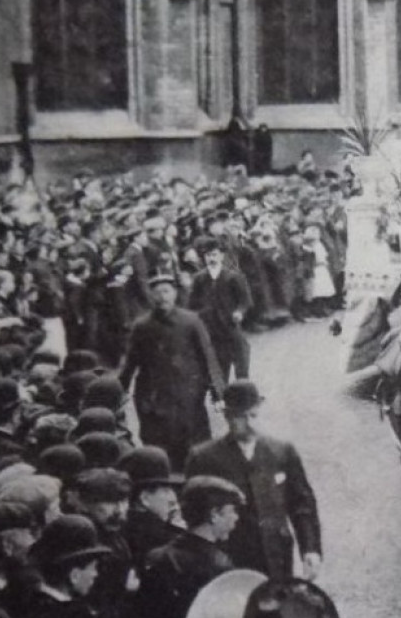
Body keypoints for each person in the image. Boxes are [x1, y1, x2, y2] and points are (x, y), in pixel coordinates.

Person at [185, 380, 322, 582]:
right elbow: (193, 515)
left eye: (253, 415)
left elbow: (302, 504)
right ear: (227, 416)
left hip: (277, 558)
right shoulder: (204, 459)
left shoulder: (281, 452)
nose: (249, 423)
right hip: (229, 562)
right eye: (241, 417)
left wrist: (310, 549)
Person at [117, 271, 225, 470]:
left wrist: (218, 392)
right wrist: (119, 390)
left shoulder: (191, 321)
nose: (162, 297)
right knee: (158, 443)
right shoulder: (142, 326)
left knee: (194, 441)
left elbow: (208, 357)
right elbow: (130, 361)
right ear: (150, 296)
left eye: (166, 291)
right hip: (153, 394)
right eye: (157, 293)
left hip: (187, 393)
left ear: (175, 294)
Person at [129, 475, 245, 618]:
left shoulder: (156, 556)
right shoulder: (219, 565)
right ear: (214, 515)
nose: (236, 518)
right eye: (232, 511)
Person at [188, 240, 252, 381]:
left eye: (215, 255)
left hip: (230, 322)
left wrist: (239, 312)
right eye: (208, 255)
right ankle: (221, 391)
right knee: (218, 356)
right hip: (210, 325)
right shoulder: (199, 278)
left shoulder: (233, 276)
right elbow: (192, 303)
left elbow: (245, 300)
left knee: (240, 350)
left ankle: (242, 383)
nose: (211, 258)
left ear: (222, 256)